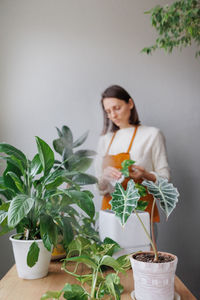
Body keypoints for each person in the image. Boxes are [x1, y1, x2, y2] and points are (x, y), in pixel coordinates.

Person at [95, 85, 170, 224]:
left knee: (143, 246)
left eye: (117, 108)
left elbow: (165, 180)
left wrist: (145, 175)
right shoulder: (104, 140)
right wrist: (104, 178)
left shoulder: (152, 135)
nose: (113, 115)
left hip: (141, 214)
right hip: (110, 215)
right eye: (108, 111)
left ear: (130, 103)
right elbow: (99, 187)